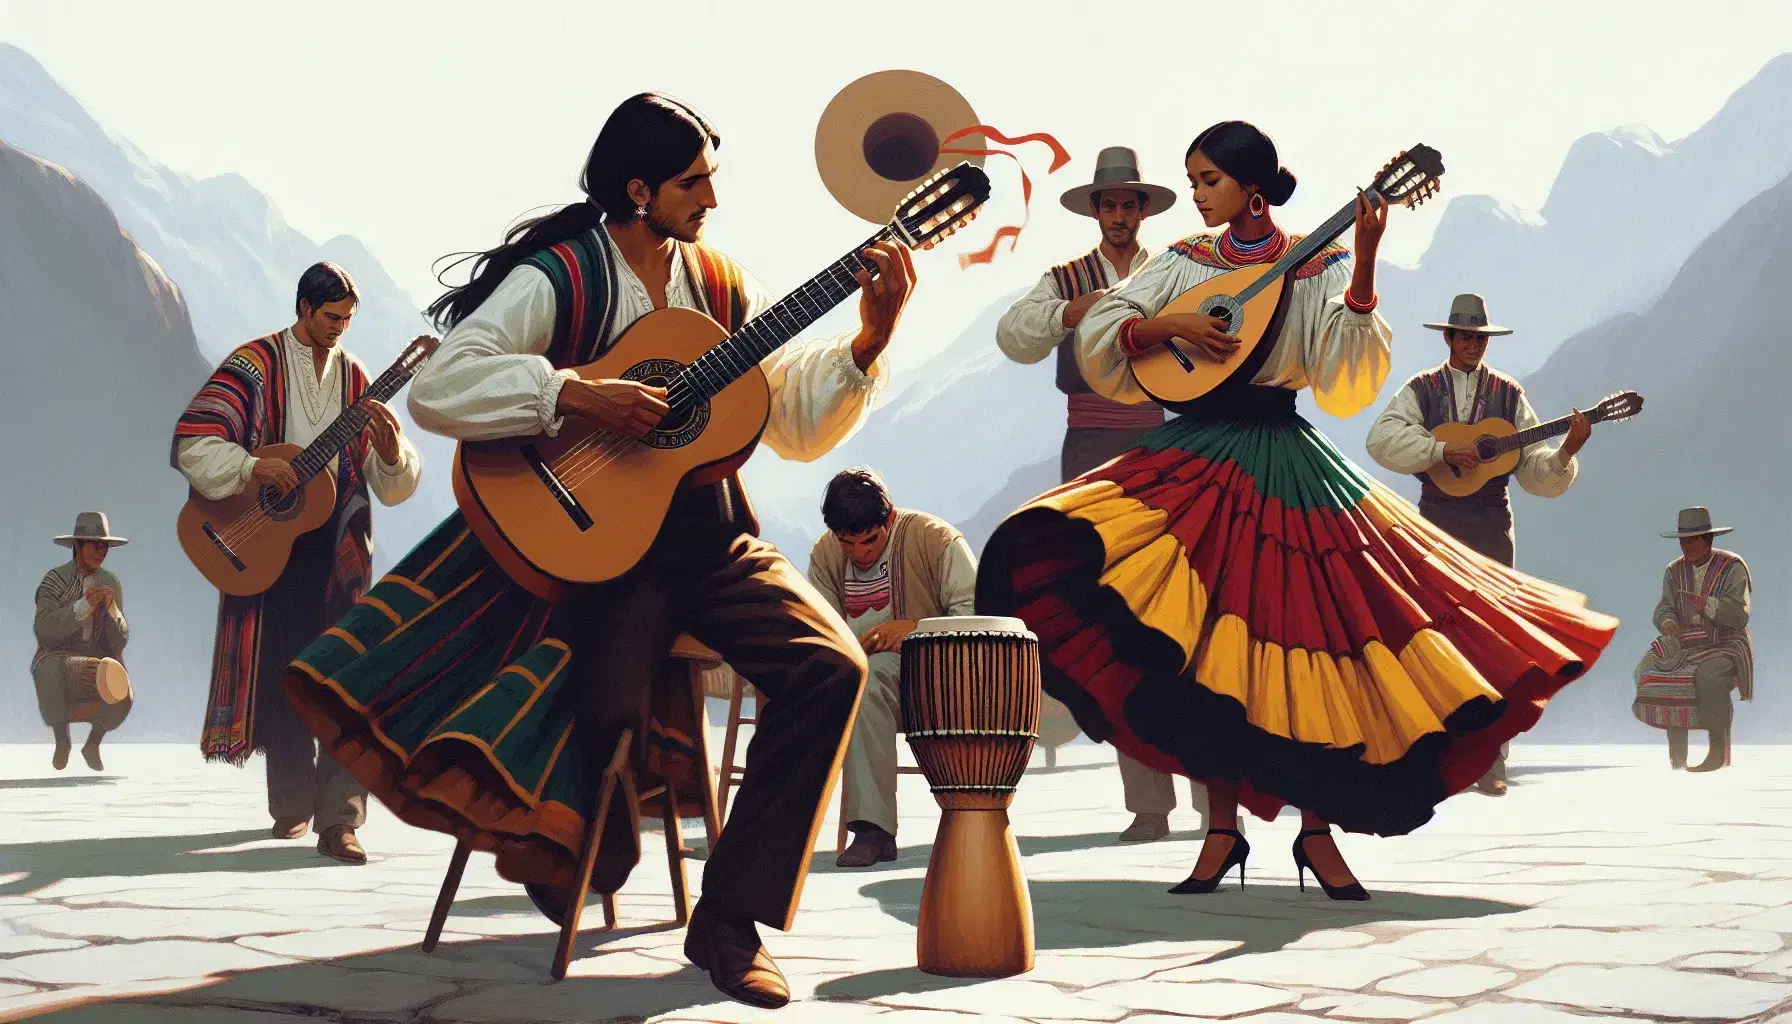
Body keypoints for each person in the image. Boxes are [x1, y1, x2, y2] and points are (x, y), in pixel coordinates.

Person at [279, 93, 915, 1008]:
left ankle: (729, 924)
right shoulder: (561, 276)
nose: (710, 199)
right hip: (603, 545)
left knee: (833, 667)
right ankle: (570, 844)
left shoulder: (724, 287)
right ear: (638, 187)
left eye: (711, 180)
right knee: (601, 734)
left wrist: (871, 335)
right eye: (694, 182)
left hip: (710, 534)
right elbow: (442, 388)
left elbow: (795, 419)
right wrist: (577, 397)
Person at [976, 120, 1617, 903]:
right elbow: (1112, 332)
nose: (1199, 195)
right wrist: (1168, 323)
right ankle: (1221, 831)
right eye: (1194, 180)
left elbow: (1344, 380)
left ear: (1252, 187)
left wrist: (1367, 265)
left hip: (1281, 453)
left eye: (1209, 181)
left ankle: (1316, 832)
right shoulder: (1186, 260)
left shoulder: (1317, 262)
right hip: (1197, 454)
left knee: (1307, 637)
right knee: (1197, 648)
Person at [172, 261, 423, 864]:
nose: (339, 328)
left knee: (346, 677)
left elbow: (393, 484)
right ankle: (290, 803)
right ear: (304, 309)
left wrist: (392, 452)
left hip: (341, 549)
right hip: (267, 542)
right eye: (330, 316)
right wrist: (253, 466)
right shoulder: (253, 366)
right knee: (284, 674)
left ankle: (340, 821)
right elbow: (194, 443)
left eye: (348, 319)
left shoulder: (359, 380)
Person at [995, 144, 1211, 842]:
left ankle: (1217, 799)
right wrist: (1072, 311)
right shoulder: (1064, 279)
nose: (1118, 215)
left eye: (1129, 205)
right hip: (1090, 455)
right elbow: (1013, 336)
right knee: (1117, 625)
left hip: (1168, 449)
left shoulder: (1178, 273)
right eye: (1108, 205)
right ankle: (1149, 806)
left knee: (1186, 616)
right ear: (1095, 211)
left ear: (1144, 209)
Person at [1365, 293, 1594, 795]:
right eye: (1465, 336)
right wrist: (1440, 449)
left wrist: (1566, 453)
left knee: (1494, 642)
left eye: (1480, 338)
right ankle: (1438, 756)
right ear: (1447, 338)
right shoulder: (1421, 391)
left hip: (1492, 524)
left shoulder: (1510, 396)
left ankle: (1490, 759)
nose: (1473, 345)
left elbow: (1534, 471)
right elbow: (1380, 440)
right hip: (1436, 524)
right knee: (1436, 635)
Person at [806, 468, 976, 867]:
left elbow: (972, 617)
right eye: (848, 543)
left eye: (869, 541)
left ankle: (878, 830)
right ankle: (863, 832)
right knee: (856, 685)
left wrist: (915, 629)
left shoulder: (936, 539)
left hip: (936, 675)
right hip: (859, 677)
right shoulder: (826, 553)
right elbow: (822, 628)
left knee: (867, 682)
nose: (859, 553)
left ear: (890, 518)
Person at [1633, 507, 1751, 771]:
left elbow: (1740, 614)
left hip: (1725, 642)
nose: (1686, 546)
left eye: (1692, 539)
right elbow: (1665, 606)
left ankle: (1717, 753)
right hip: (1686, 644)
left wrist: (1708, 605)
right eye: (1683, 540)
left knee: (1708, 676)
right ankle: (1677, 758)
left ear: (1707, 539)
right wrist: (1669, 622)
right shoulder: (1674, 571)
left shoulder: (1732, 568)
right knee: (1659, 674)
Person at [33, 512, 131, 771]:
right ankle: (62, 740)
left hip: (97, 657)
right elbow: (44, 629)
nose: (101, 551)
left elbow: (118, 642)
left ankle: (93, 744)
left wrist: (112, 612)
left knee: (123, 693)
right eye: (94, 544)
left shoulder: (110, 583)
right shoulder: (55, 580)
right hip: (58, 655)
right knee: (49, 672)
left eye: (105, 545)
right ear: (77, 545)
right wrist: (83, 606)